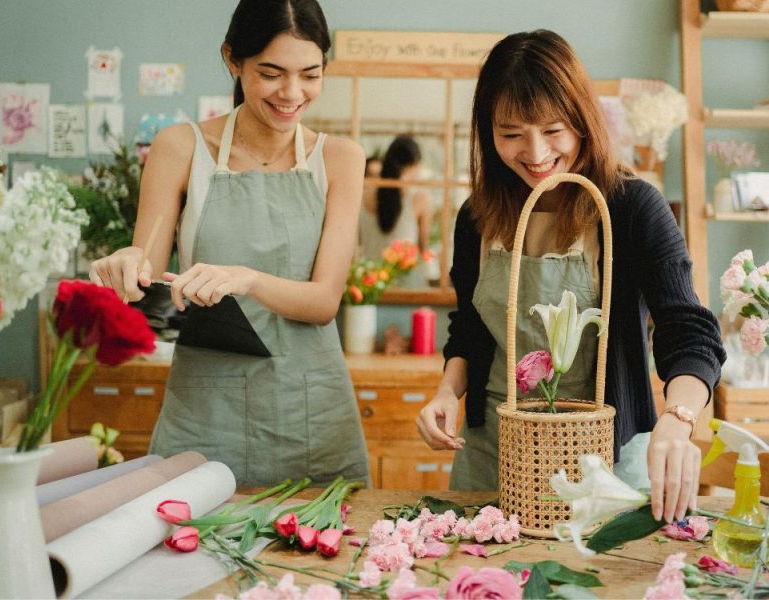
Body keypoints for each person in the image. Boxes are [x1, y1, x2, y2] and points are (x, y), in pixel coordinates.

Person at [414, 30, 726, 523]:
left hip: (607, 459)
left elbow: (689, 329)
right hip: (494, 454)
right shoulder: (477, 216)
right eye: (511, 133)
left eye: (553, 129)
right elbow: (471, 329)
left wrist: (679, 418)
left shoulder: (632, 208)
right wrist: (447, 393)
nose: (534, 152)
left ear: (584, 121)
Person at [88, 0, 369, 487]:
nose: (292, 93)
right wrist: (127, 266)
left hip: (312, 409)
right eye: (271, 73)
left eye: (310, 74)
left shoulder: (341, 159)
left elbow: (324, 302)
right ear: (232, 60)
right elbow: (145, 278)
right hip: (204, 407)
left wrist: (248, 279)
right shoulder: (180, 148)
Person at [358, 136, 432, 270]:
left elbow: (357, 243)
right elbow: (424, 248)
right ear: (414, 164)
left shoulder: (363, 198)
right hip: (406, 285)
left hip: (371, 282)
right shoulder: (420, 198)